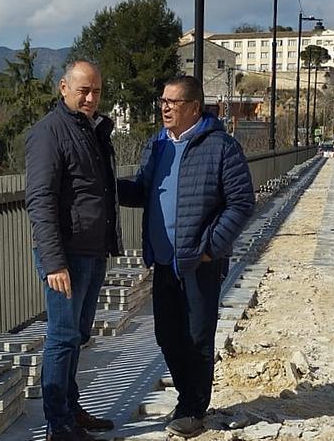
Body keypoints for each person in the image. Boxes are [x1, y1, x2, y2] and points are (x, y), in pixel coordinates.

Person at [118, 76, 255, 438]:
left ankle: (194, 408)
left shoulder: (221, 147)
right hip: (163, 261)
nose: (165, 107)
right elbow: (143, 192)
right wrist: (106, 184)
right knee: (167, 334)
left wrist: (212, 247)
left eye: (173, 102)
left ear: (194, 107)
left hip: (199, 262)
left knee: (196, 337)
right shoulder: (157, 145)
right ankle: (187, 397)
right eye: (162, 101)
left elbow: (242, 202)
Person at [25, 60, 121, 441]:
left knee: (78, 335)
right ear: (63, 87)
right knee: (62, 338)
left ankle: (70, 409)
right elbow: (40, 200)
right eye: (83, 90)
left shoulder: (91, 130)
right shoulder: (50, 133)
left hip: (92, 251)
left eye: (96, 90)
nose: (91, 97)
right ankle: (58, 425)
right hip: (66, 255)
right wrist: (53, 262)